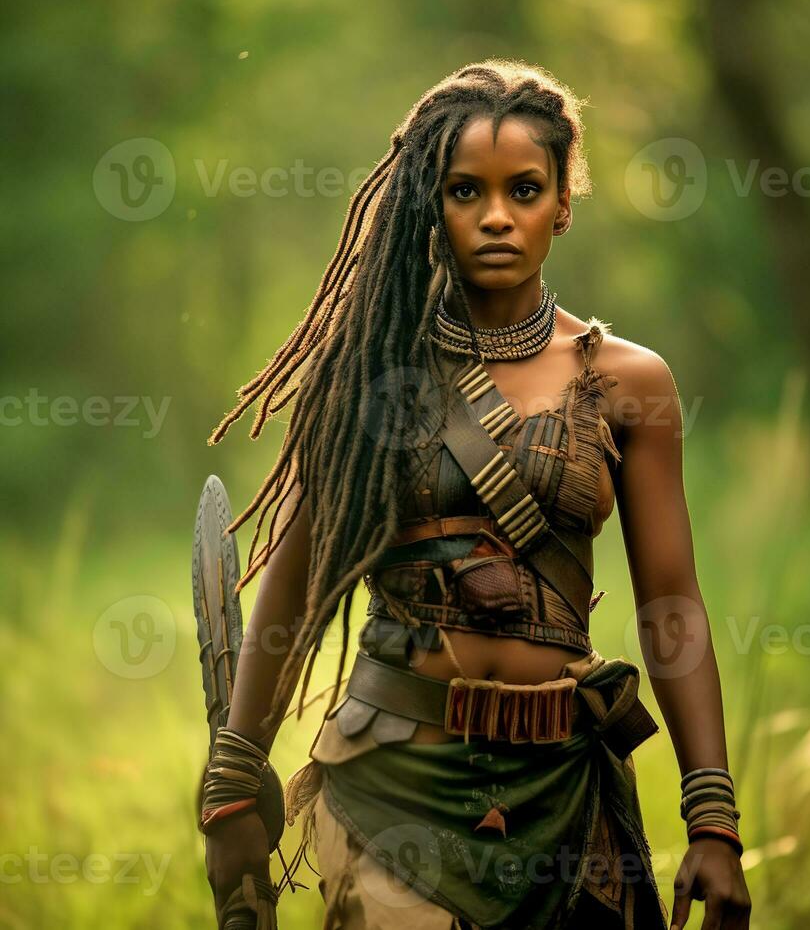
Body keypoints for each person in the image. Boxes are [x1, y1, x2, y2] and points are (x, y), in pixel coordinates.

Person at [201, 59, 752, 929]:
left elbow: (672, 607)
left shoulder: (629, 381)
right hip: (393, 786)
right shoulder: (369, 372)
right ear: (432, 203)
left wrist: (712, 817)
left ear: (564, 202)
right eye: (465, 191)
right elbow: (296, 586)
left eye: (525, 189)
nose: (496, 216)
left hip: (566, 794)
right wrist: (234, 779)